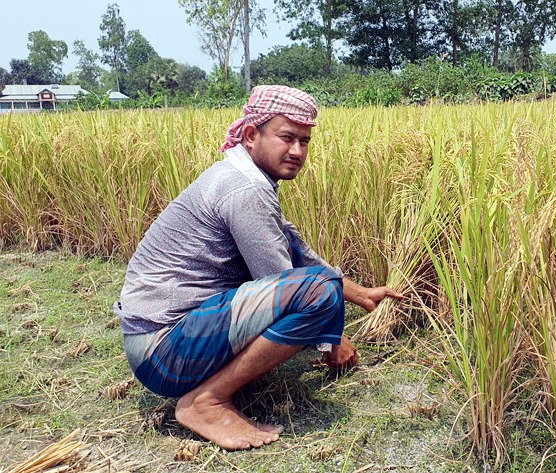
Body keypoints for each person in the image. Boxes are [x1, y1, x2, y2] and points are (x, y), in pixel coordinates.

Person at [113, 85, 402, 451]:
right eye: (286, 138)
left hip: (170, 340)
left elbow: (294, 249)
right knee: (318, 295)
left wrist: (362, 295)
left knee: (314, 283)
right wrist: (332, 340)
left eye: (304, 141)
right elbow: (287, 283)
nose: (297, 151)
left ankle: (211, 389)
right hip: (163, 351)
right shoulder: (243, 188)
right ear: (251, 135)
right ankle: (207, 402)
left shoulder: (246, 177)